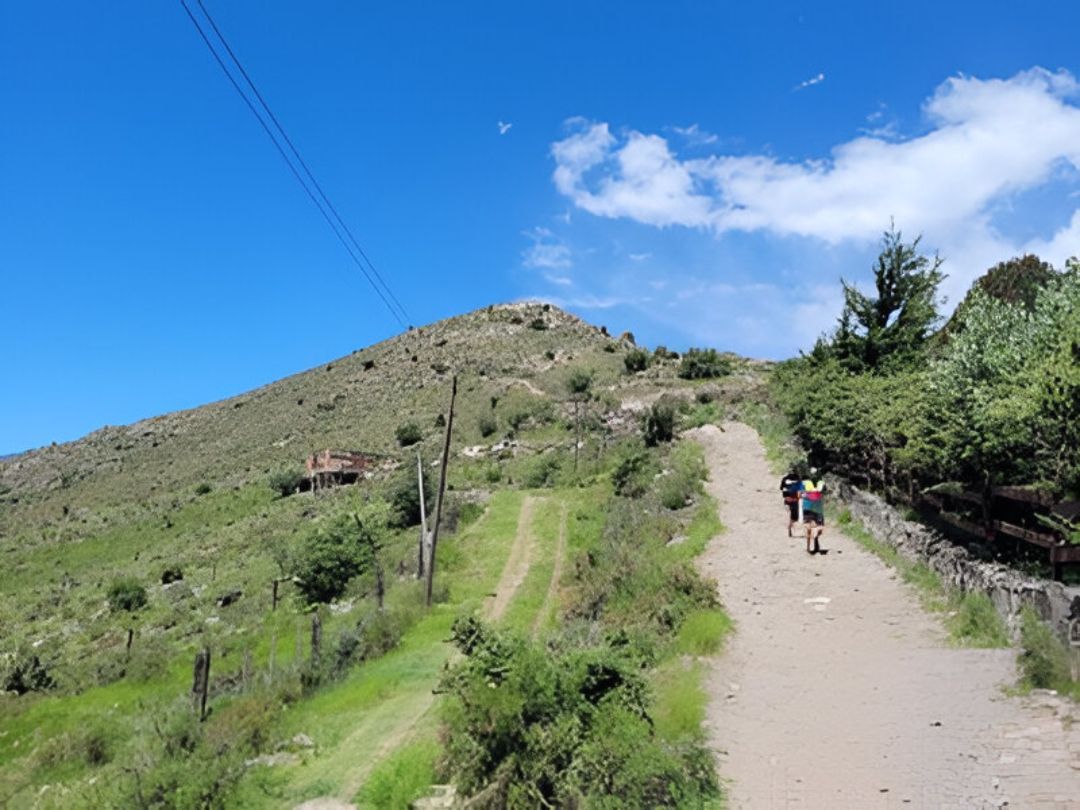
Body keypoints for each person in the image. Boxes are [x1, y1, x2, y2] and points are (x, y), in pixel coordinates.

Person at [800, 470, 826, 554]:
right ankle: (812, 546)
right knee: (815, 527)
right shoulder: (820, 483)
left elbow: (800, 495)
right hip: (814, 508)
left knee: (812, 527)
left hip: (811, 507)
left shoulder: (806, 483)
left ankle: (809, 546)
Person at [779, 468, 803, 537]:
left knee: (789, 512)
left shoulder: (784, 479)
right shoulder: (798, 479)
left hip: (787, 499)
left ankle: (789, 524)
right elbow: (800, 490)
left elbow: (781, 488)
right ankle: (790, 525)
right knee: (795, 517)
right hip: (795, 499)